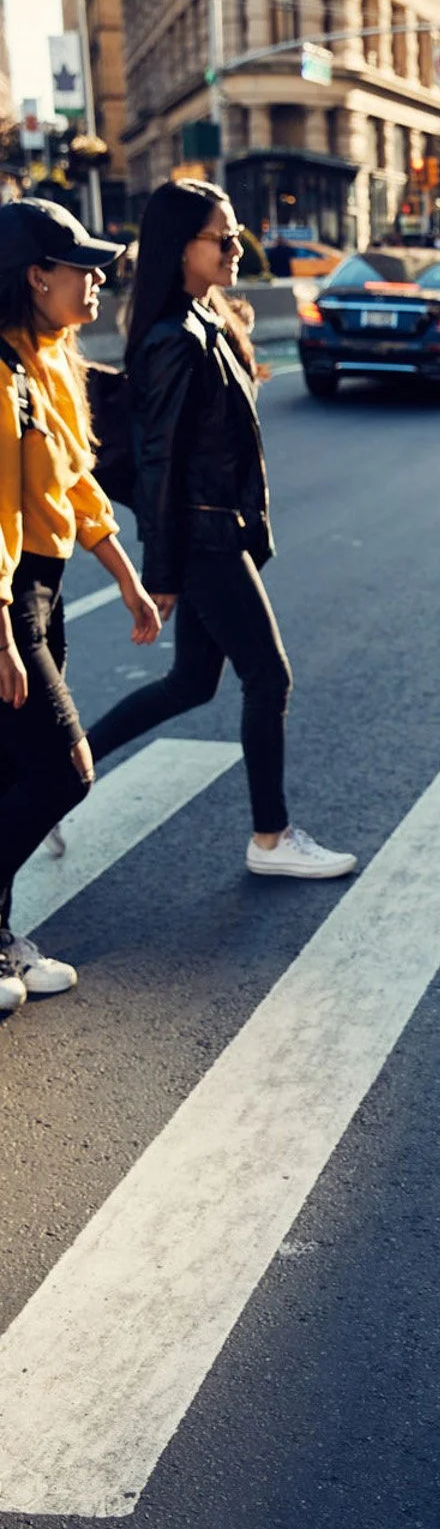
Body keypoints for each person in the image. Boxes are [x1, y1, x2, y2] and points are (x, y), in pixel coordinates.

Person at [84, 180, 355, 881]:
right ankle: (271, 838)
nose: (237, 247)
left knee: (190, 685)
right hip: (203, 538)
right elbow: (159, 465)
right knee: (268, 675)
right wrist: (163, 573)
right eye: (223, 238)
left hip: (216, 530)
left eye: (235, 235)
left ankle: (55, 779)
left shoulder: (204, 320)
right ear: (181, 247)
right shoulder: (174, 339)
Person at [0, 199, 162, 1014]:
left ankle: (0, 940)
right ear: (36, 276)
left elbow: (74, 483)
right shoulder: (0, 371)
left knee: (9, 771)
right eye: (82, 267)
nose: (97, 278)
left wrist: (124, 574)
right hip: (5, 601)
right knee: (66, 771)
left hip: (42, 588)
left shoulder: (48, 360)